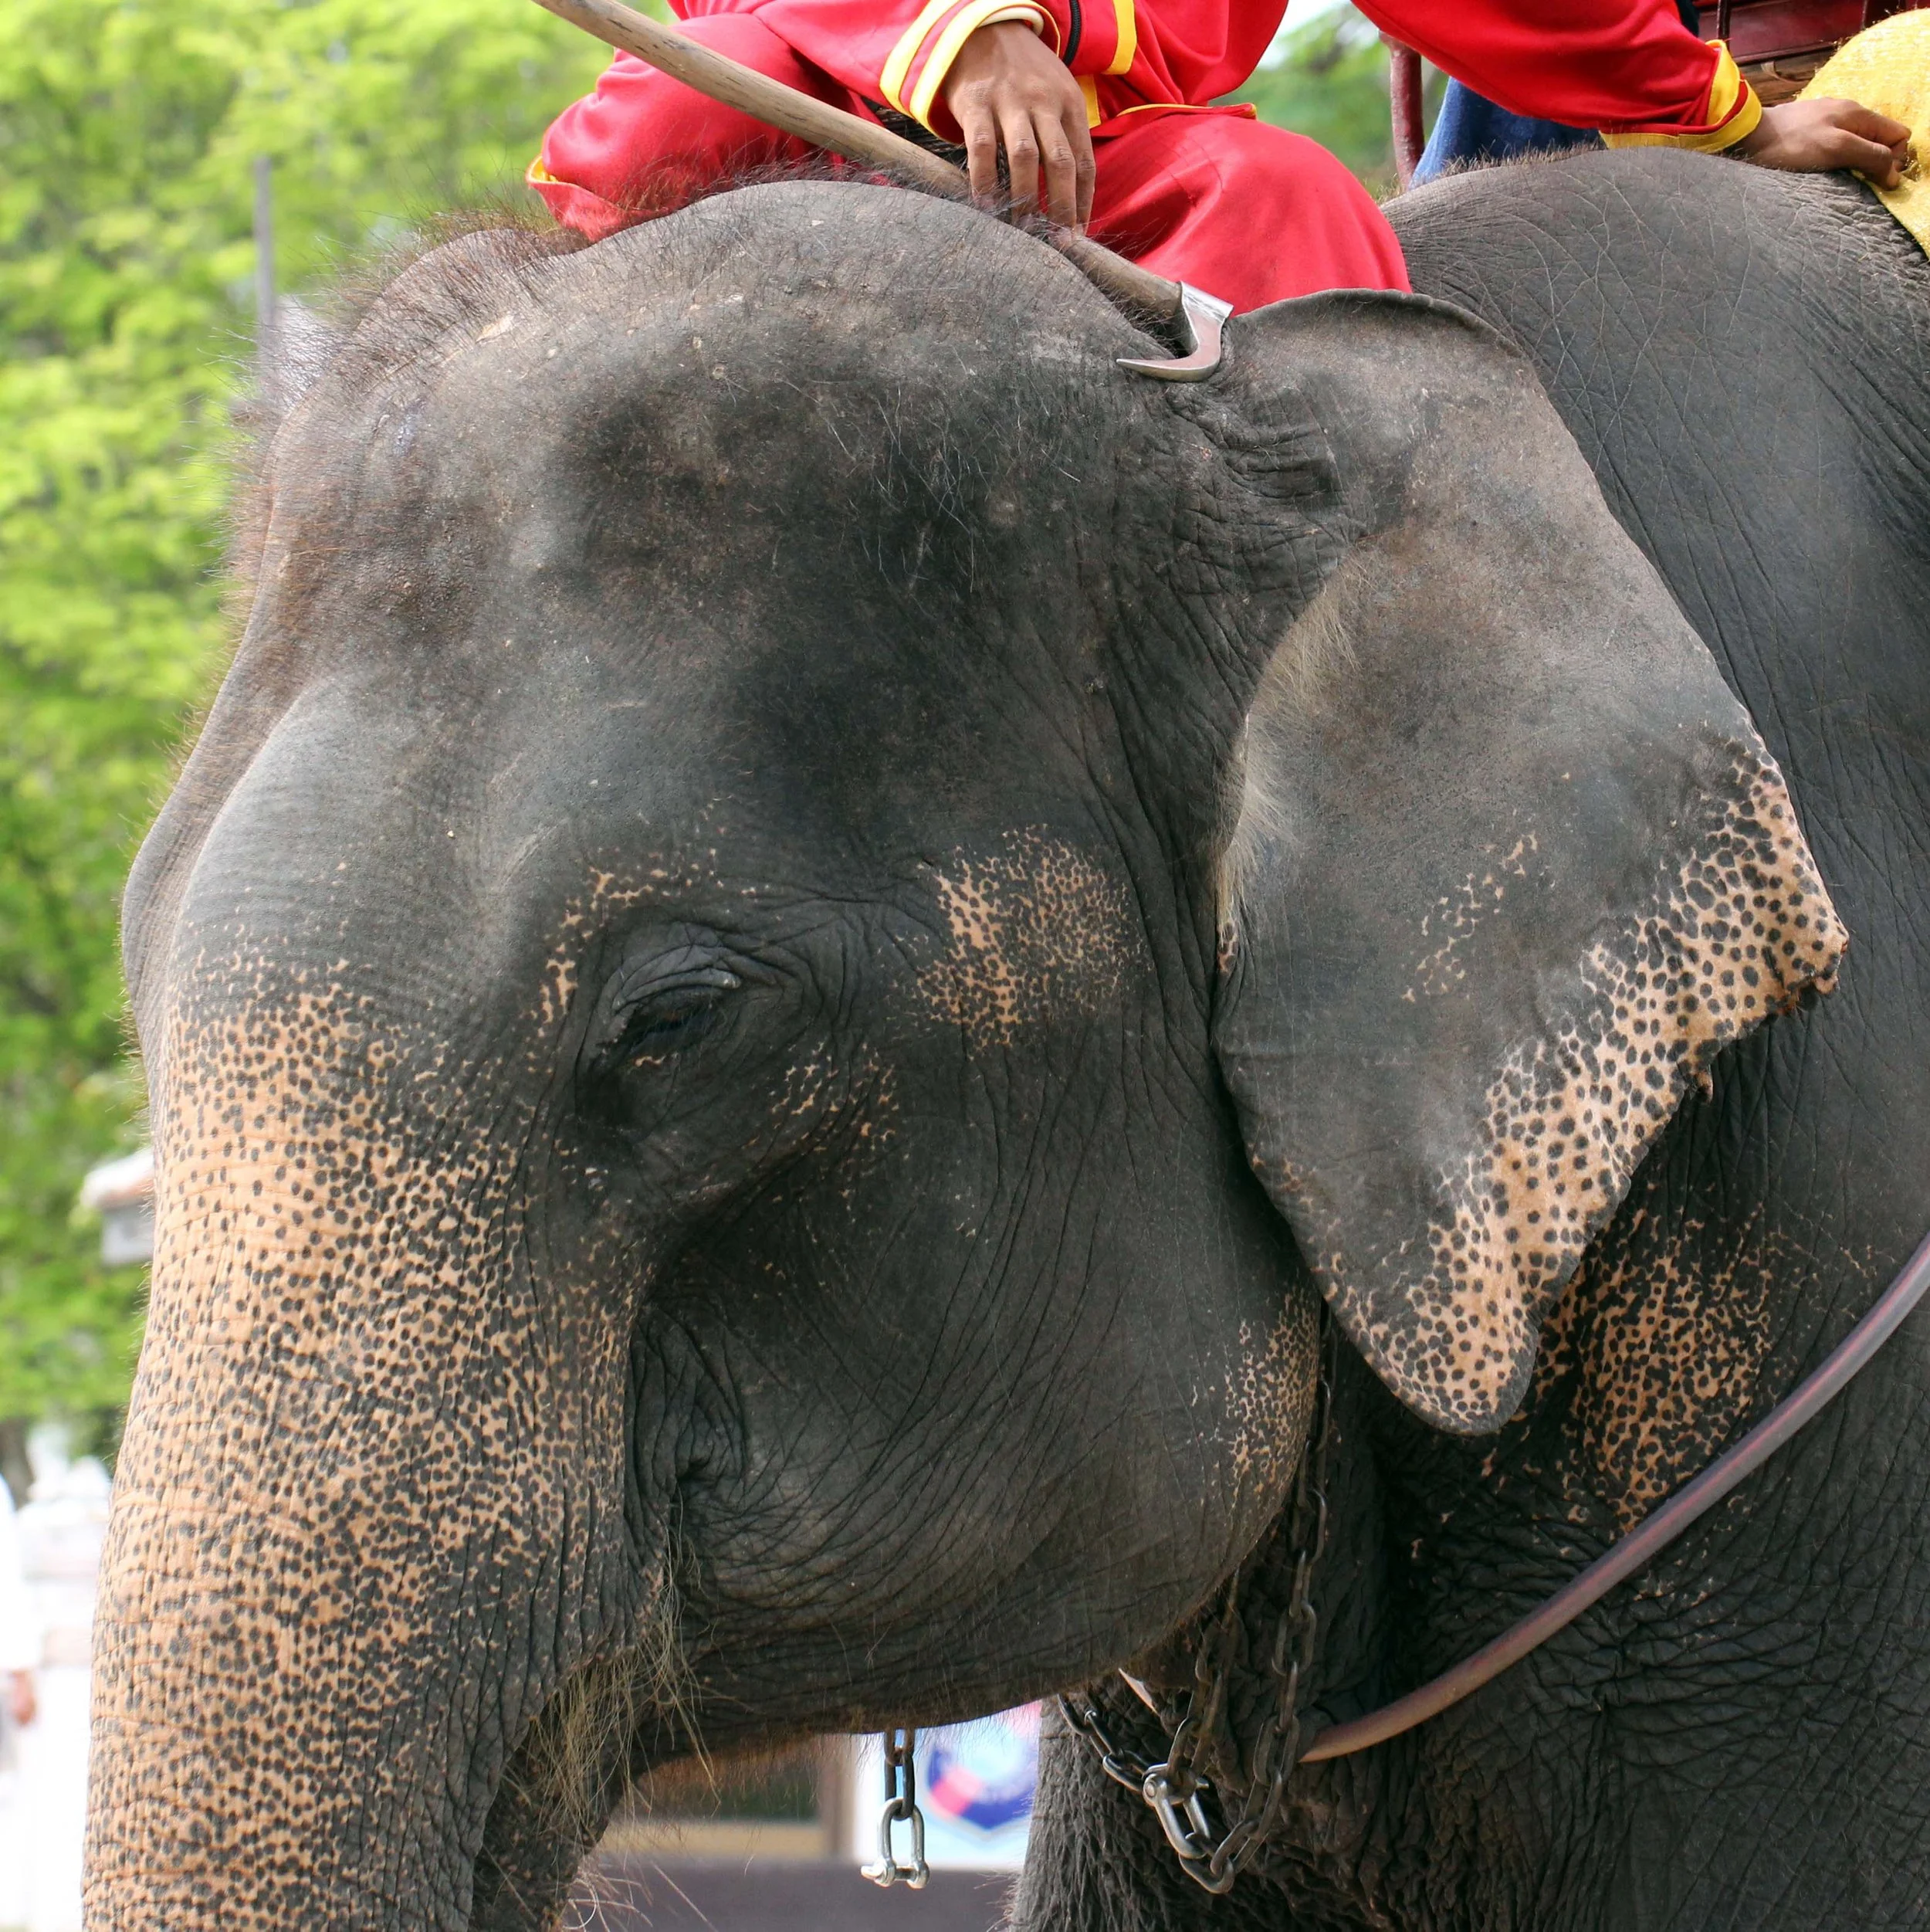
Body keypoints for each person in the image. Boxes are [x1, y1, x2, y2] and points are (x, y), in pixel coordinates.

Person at [532, 0, 1911, 311]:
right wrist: (958, 26)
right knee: (664, 130)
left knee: (1290, 204)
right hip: (784, 116)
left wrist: (1720, 113)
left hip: (1112, 172)